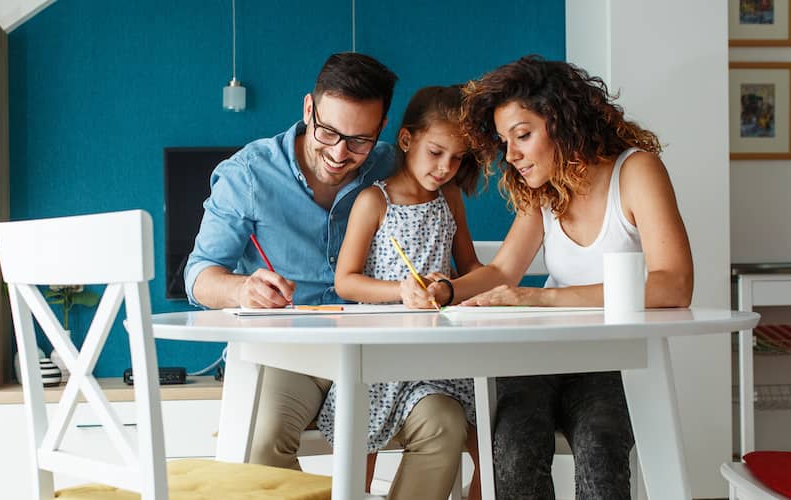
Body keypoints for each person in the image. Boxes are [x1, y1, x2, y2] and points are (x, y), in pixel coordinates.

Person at [185, 53, 459, 493]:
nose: (338, 153)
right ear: (309, 109)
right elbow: (198, 275)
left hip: (380, 355)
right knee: (263, 440)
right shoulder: (249, 174)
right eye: (328, 131)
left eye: (359, 140)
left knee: (445, 423)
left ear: (384, 128)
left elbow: (448, 207)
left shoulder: (393, 166)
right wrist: (243, 288)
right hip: (291, 351)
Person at [433, 55, 695, 498]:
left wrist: (542, 299)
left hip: (613, 362)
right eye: (505, 141)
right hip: (542, 356)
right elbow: (500, 271)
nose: (512, 155)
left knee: (600, 447)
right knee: (513, 451)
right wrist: (445, 290)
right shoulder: (545, 190)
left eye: (523, 136)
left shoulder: (636, 172)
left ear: (563, 121)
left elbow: (674, 284)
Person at [326, 85, 483, 499]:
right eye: (436, 152)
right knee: (360, 450)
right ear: (406, 139)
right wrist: (401, 290)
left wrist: (456, 288)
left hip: (440, 353)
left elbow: (471, 269)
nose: (446, 167)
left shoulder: (451, 198)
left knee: (490, 442)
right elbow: (346, 281)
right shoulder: (373, 201)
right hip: (382, 352)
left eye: (457, 158)